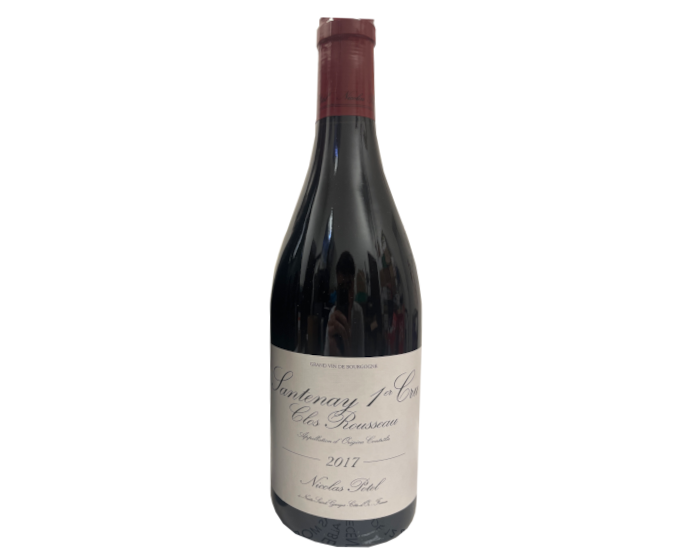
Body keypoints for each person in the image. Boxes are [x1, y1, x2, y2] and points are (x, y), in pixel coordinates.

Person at [325, 252, 365, 357]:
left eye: (348, 286)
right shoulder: (333, 314)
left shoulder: (358, 312)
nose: (346, 293)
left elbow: (361, 354)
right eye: (341, 287)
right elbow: (326, 355)